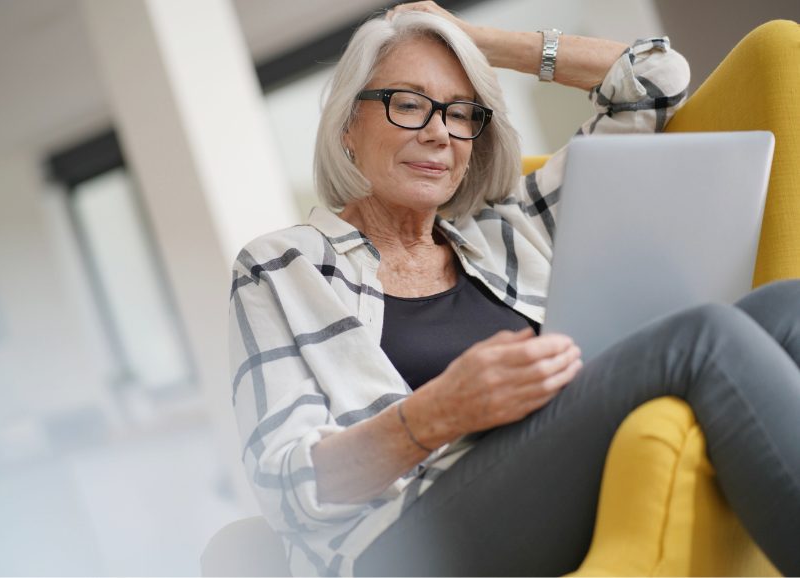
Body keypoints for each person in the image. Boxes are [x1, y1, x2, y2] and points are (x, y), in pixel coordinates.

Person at [228, 4, 800, 578]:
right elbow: (286, 484)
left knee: (787, 306)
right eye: (407, 104)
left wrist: (473, 41)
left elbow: (653, 80)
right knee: (702, 338)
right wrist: (439, 412)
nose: (438, 132)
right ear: (349, 125)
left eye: (461, 112)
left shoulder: (511, 227)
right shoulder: (282, 265)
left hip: (555, 472)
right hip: (401, 538)